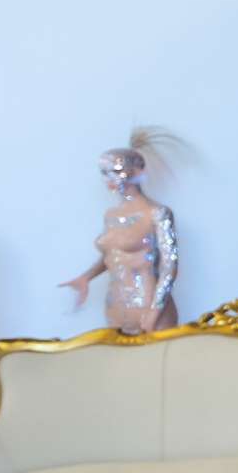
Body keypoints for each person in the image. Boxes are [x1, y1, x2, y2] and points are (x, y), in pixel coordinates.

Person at [62, 129, 185, 334]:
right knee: (122, 363)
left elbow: (169, 268)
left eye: (117, 171)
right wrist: (86, 278)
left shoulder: (156, 213)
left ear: (138, 172)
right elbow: (112, 255)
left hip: (147, 305)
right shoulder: (111, 215)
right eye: (105, 172)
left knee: (156, 363)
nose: (110, 178)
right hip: (116, 305)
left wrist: (154, 313)